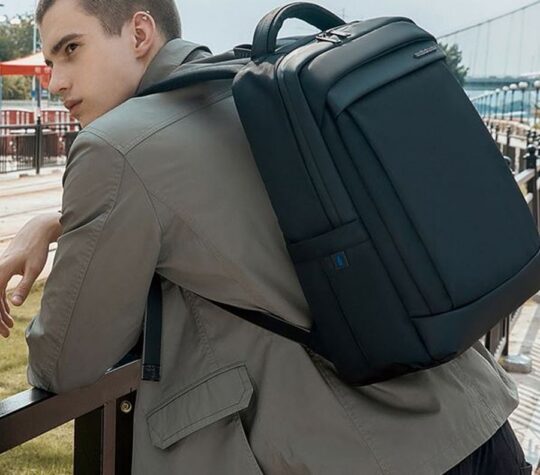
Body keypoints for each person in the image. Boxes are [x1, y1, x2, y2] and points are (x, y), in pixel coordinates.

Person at [0, 0, 532, 473]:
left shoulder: (114, 147)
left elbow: (64, 362)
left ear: (140, 33)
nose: (56, 81)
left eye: (71, 50)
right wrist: (58, 220)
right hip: (476, 416)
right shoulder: (263, 88)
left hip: (366, 452)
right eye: (49, 62)